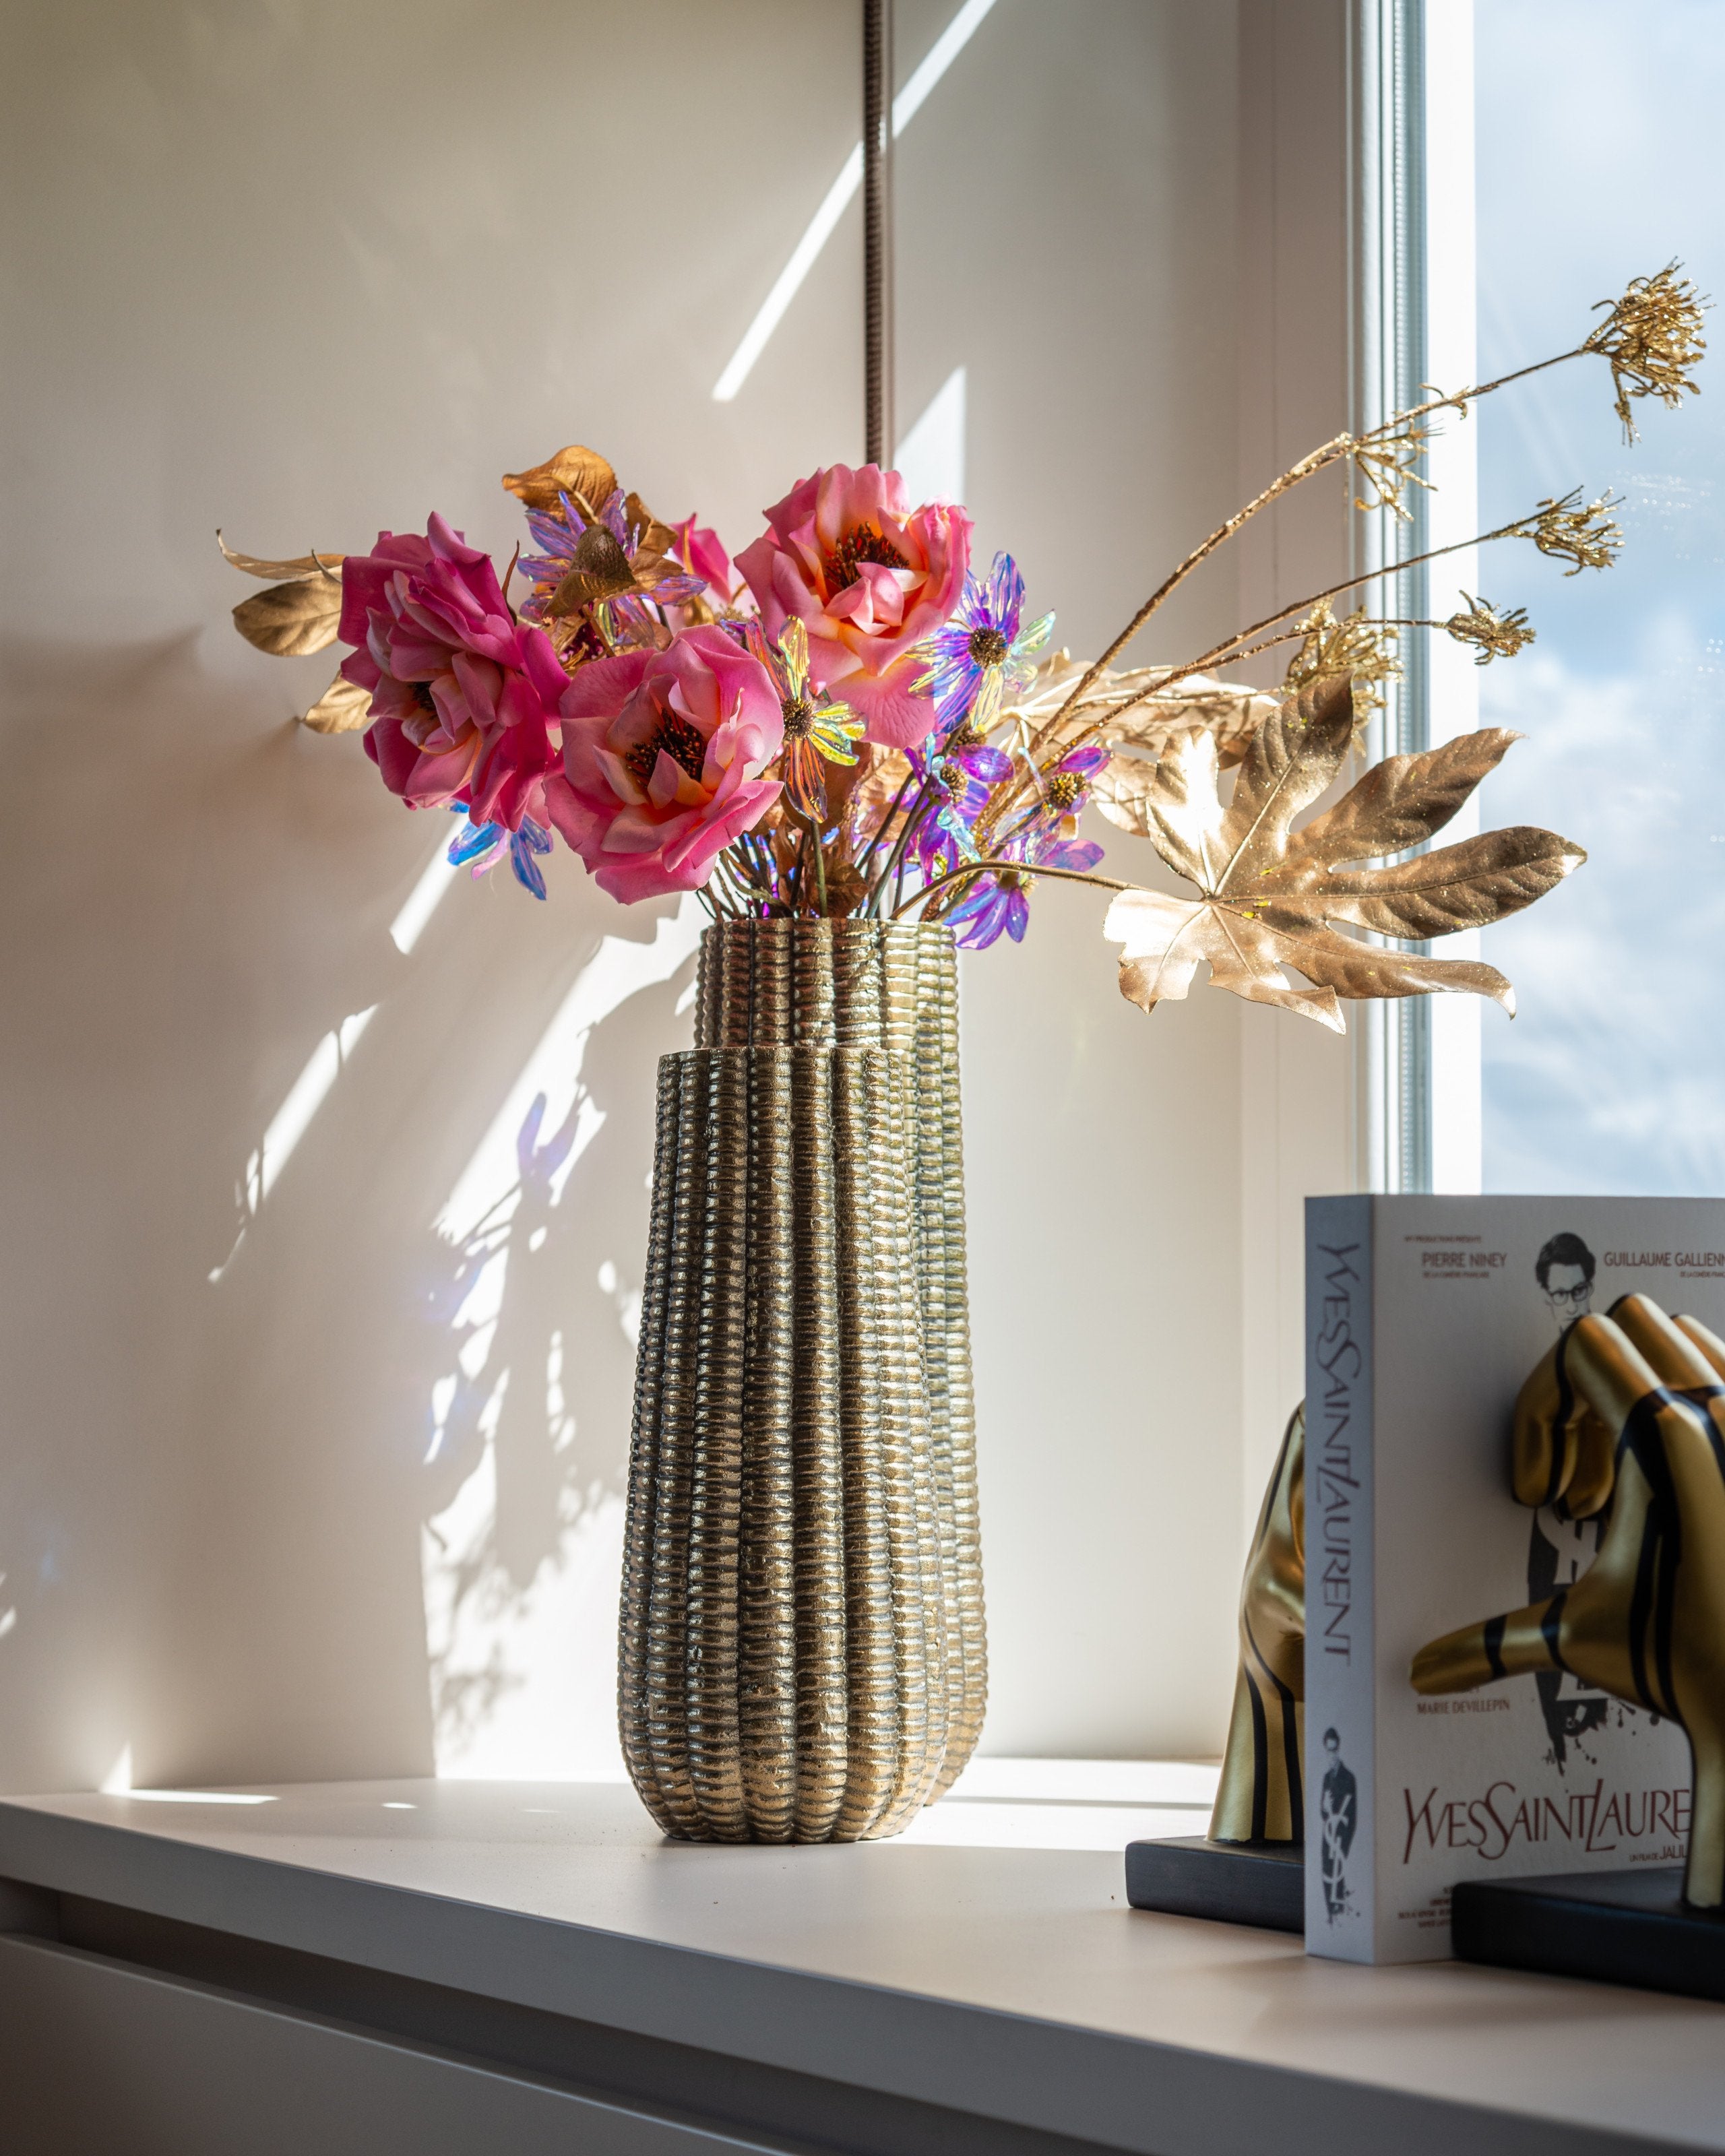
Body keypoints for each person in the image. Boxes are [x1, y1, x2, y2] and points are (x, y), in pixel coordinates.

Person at [1527, 1232, 1613, 1767]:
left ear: (1592, 1287)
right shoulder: (1542, 1376)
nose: (1572, 1305)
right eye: (1560, 1296)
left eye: (1579, 1291)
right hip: (1555, 1550)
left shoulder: (1612, 1365)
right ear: (1546, 1299)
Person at [1317, 1727, 1356, 1920]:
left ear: (1338, 1749)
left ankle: (1339, 1914)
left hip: (1341, 1838)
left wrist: (1345, 1845)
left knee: (1339, 1878)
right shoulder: (1326, 1778)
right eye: (1328, 1750)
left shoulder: (1349, 1779)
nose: (1331, 1755)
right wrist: (1325, 1808)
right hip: (1328, 1836)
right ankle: (1330, 1915)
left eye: (1334, 1750)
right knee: (1326, 1871)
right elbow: (1321, 1812)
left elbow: (1353, 1816)